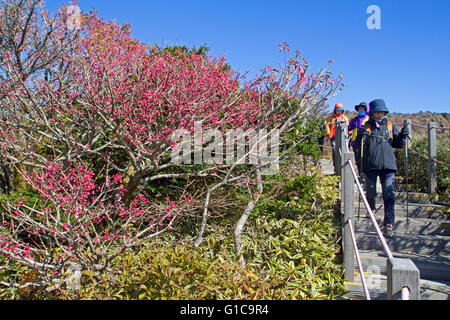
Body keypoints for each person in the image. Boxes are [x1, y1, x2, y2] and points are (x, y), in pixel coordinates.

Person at [355, 99, 409, 238]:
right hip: (371, 165)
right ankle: (371, 209)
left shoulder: (390, 127)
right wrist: (359, 164)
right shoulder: (366, 127)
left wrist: (403, 134)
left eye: (382, 112)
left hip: (388, 164)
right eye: (377, 112)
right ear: (372, 113)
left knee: (389, 194)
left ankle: (388, 224)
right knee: (371, 191)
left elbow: (398, 144)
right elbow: (356, 146)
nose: (379, 114)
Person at [325, 103, 349, 172]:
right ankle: (335, 167)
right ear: (335, 110)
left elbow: (347, 126)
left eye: (340, 110)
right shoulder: (331, 117)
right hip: (333, 137)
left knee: (343, 150)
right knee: (335, 151)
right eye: (337, 110)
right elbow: (327, 125)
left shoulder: (344, 118)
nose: (339, 111)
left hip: (342, 136)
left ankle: (342, 167)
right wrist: (328, 132)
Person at [348, 102, 370, 175]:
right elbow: (349, 127)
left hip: (366, 141)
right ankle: (360, 173)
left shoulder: (369, 119)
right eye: (359, 109)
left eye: (362, 109)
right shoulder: (355, 119)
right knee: (357, 158)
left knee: (365, 158)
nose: (361, 110)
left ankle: (365, 173)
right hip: (355, 141)